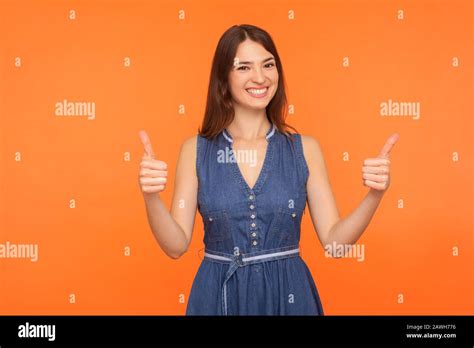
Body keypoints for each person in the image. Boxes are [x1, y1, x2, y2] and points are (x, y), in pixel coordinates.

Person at [138, 24, 398, 315]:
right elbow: (175, 247)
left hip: (289, 297)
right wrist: (151, 197)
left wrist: (375, 194)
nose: (260, 77)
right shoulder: (195, 150)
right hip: (217, 298)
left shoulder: (305, 149)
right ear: (223, 78)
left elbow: (334, 245)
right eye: (244, 67)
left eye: (268, 65)